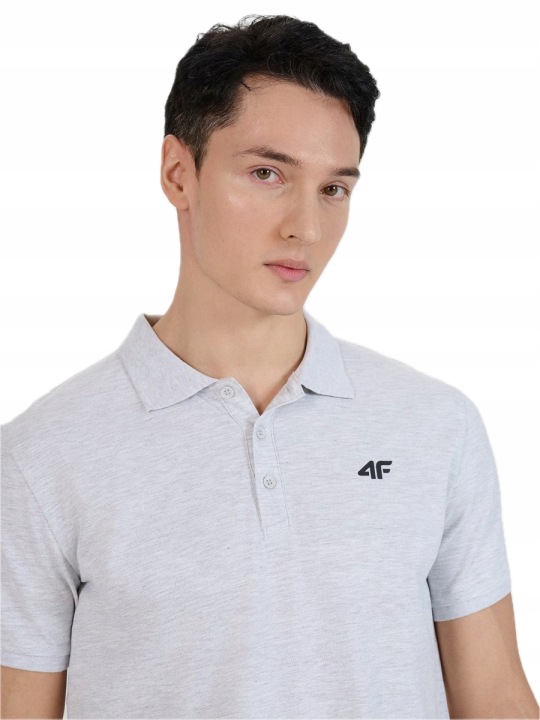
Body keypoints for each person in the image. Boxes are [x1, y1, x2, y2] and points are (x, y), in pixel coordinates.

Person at [1, 13, 538, 720]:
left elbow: (496, 699)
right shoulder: (42, 457)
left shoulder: (437, 427)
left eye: (334, 189)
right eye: (266, 173)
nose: (305, 228)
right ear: (178, 173)